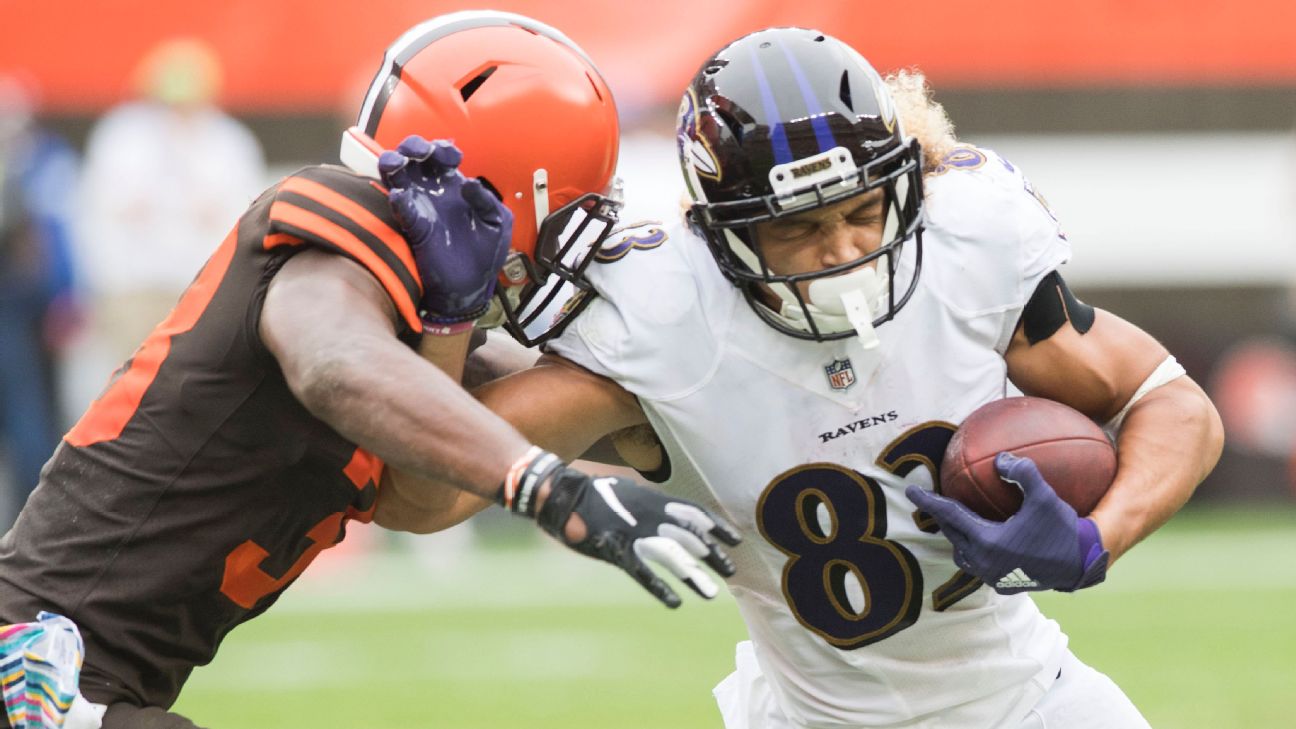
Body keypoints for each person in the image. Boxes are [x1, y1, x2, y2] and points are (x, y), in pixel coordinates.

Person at [385, 28, 1225, 728]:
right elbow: (424, 500)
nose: (845, 251)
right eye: (801, 227)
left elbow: (1170, 401)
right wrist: (449, 324)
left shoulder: (969, 247)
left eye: (864, 212)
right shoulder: (668, 325)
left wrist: (1096, 537)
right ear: (723, 234)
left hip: (1033, 702)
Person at [0, 12, 738, 729]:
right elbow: (335, 363)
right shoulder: (335, 240)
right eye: (571, 206)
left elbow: (582, 406)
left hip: (81, 673)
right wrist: (550, 487)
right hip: (39, 669)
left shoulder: (415, 334)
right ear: (509, 189)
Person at [77, 38, 266, 367]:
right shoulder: (123, 137)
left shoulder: (228, 143)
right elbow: (101, 210)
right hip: (134, 287)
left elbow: (244, 214)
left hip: (203, 288)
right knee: (130, 379)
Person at [0, 74, 81, 528]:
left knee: (34, 417)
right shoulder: (34, 164)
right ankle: (32, 524)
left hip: (23, 306)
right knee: (28, 417)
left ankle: (31, 521)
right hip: (18, 305)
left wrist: (63, 294)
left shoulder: (43, 162)